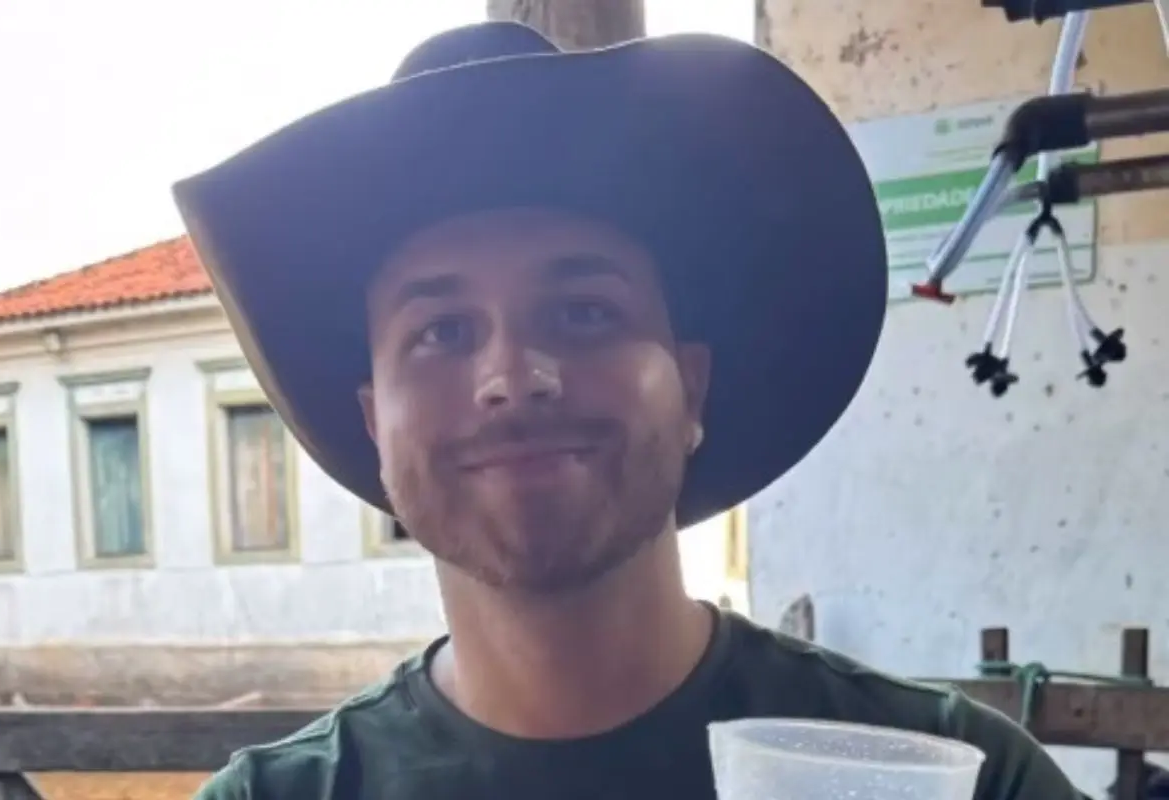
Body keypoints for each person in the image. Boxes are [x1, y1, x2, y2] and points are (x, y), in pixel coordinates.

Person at [176, 20, 1083, 800]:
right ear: (376, 423)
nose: (513, 376)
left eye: (584, 313)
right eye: (441, 332)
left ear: (691, 390)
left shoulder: (956, 780)